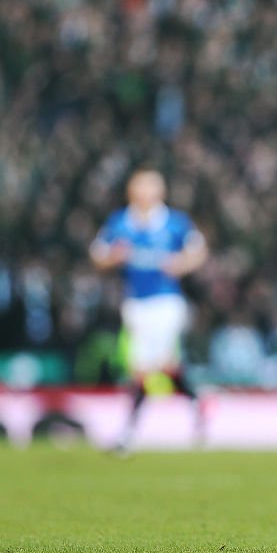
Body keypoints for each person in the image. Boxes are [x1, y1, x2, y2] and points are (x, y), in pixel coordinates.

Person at [90, 168, 209, 453]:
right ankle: (197, 403)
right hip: (136, 304)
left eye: (150, 187)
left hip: (167, 302)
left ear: (160, 192)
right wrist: (111, 258)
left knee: (145, 368)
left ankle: (127, 435)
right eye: (140, 187)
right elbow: (97, 255)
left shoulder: (175, 223)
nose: (145, 193)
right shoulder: (120, 223)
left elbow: (199, 252)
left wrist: (181, 263)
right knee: (162, 367)